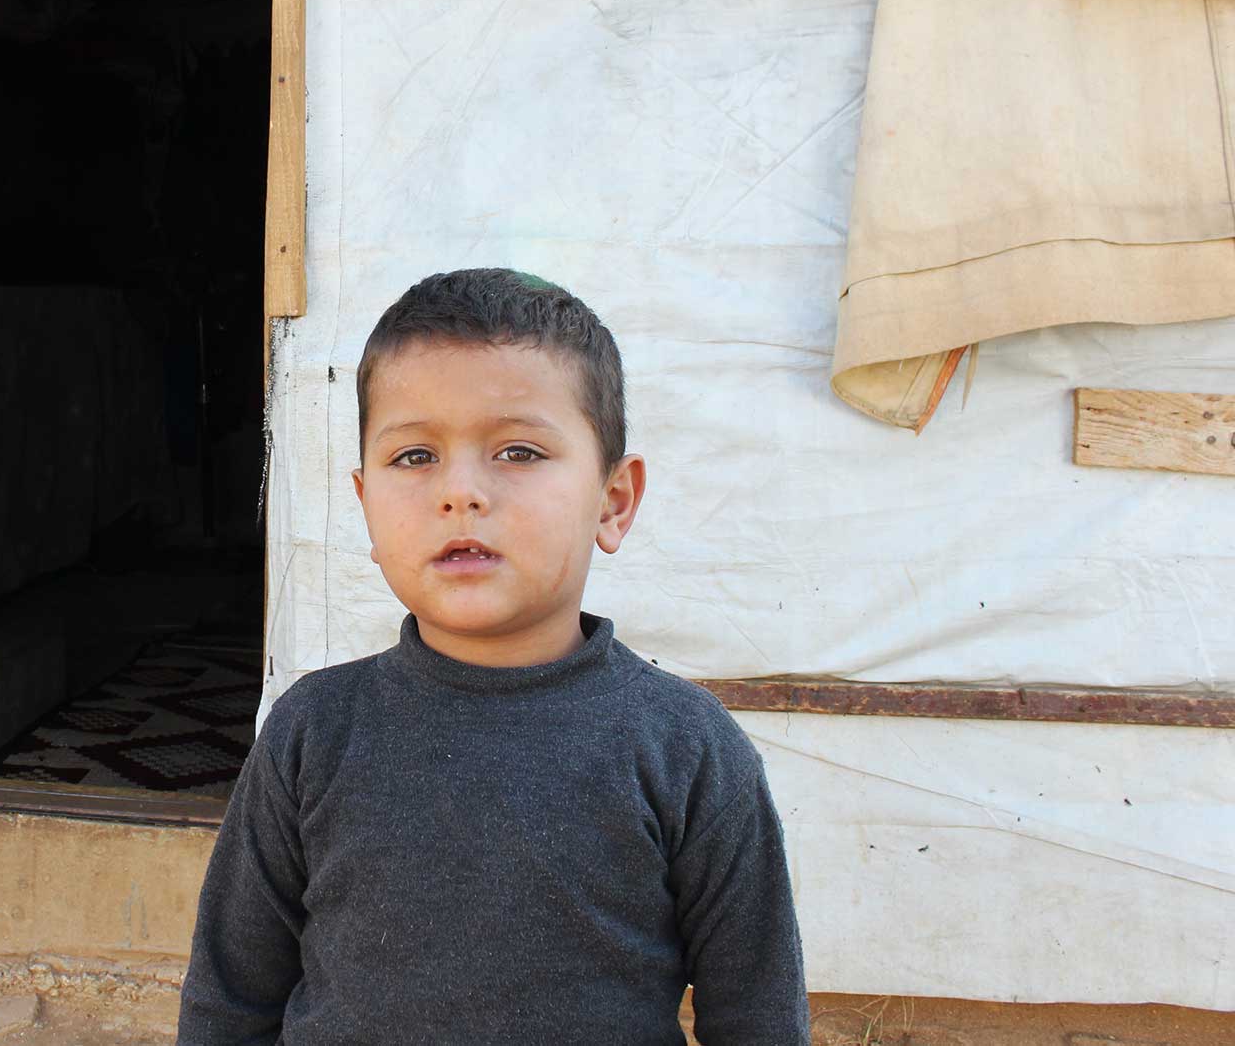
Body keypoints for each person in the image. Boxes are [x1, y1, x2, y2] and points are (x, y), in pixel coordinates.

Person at [177, 268, 808, 1044]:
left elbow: (758, 1018)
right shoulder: (312, 732)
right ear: (365, 501)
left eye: (517, 449)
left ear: (613, 501)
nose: (462, 492)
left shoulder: (688, 750)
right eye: (414, 457)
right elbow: (230, 998)